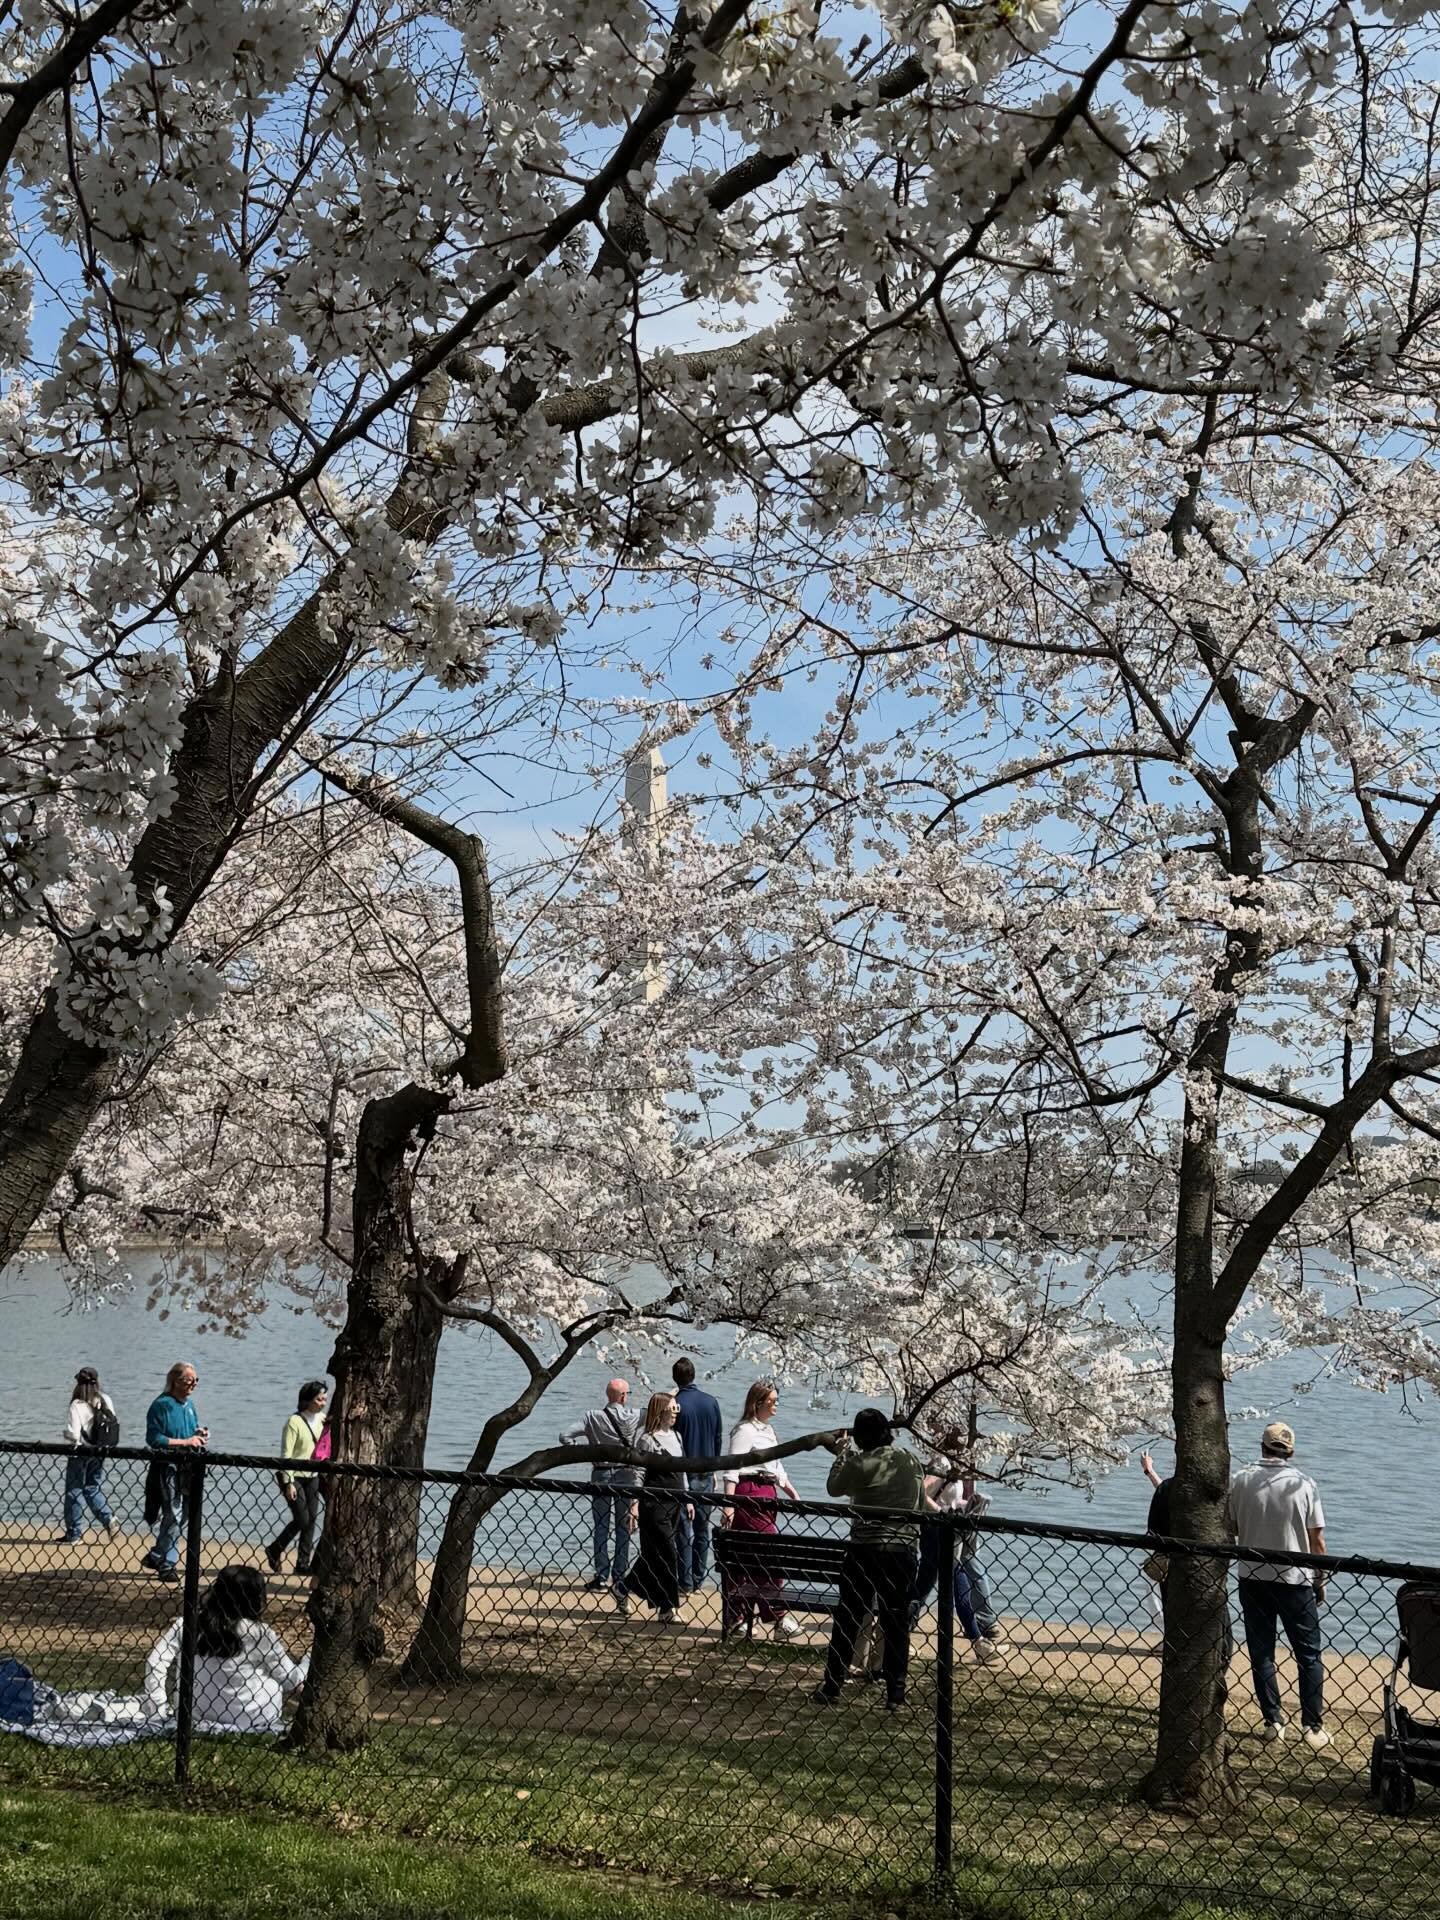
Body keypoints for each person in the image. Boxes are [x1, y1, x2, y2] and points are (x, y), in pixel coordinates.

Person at [814, 1408, 925, 1709]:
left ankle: (833, 1684)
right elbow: (920, 1505)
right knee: (896, 1622)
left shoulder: (860, 1462)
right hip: (902, 1551)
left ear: (861, 1436)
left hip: (865, 1549)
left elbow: (834, 1488)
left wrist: (841, 1454)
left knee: (849, 1617)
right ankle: (896, 1693)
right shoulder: (910, 1460)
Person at [1230, 1420, 1330, 1750]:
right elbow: (1318, 1541)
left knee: (1262, 1653)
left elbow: (1231, 1526)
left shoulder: (1240, 1480)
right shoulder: (1304, 1483)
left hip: (1252, 1575)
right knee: (1309, 1655)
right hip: (1295, 1579)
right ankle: (1312, 1725)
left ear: (1261, 1446)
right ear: (1291, 1451)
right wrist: (1320, 1580)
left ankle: (1273, 1720)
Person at [144, 1564, 308, 1733]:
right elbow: (289, 1680)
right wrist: (306, 1665)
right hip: (252, 1719)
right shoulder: (259, 1633)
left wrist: (158, 1708)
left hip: (191, 1714)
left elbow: (154, 1662)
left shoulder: (187, 1623)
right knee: (293, 1669)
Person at [910, 1439, 1010, 1665]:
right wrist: (940, 1511)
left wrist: (968, 1506)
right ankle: (979, 1642)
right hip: (936, 1530)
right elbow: (920, 1492)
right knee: (958, 1580)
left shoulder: (962, 1468)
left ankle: (898, 1633)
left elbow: (952, 1497)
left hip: (949, 1531)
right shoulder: (942, 1463)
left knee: (925, 1585)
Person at [718, 1378, 801, 1639]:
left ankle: (743, 1618)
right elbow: (732, 1468)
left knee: (752, 1557)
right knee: (765, 1554)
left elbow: (776, 1468)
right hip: (749, 1494)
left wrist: (792, 1492)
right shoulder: (745, 1430)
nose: (776, 1405)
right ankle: (774, 1617)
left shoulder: (769, 1431)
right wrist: (729, 1505)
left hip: (767, 1494)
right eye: (772, 1400)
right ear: (758, 1402)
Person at [617, 1392, 692, 1625]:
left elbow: (684, 1469)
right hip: (654, 1503)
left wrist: (688, 1498)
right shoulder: (647, 1439)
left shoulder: (677, 1436)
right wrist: (634, 1505)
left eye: (676, 1409)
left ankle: (624, 1586)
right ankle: (667, 1607)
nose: (675, 1414)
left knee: (654, 1554)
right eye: (672, 1410)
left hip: (676, 1501)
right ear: (660, 1412)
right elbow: (638, 1473)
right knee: (669, 1552)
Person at [560, 1379, 642, 1592]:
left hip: (601, 1475)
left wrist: (582, 1452)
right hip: (626, 1474)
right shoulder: (633, 1416)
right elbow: (653, 1410)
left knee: (601, 1527)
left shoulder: (592, 1417)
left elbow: (565, 1436)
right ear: (624, 1397)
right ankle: (620, 1576)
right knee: (623, 1527)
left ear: (608, 1396)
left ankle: (601, 1577)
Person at [143, 1362, 208, 1584]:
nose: (193, 1384)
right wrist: (184, 1441)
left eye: (196, 1380)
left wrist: (198, 1433)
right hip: (167, 1466)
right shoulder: (161, 1405)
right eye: (189, 1380)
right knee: (173, 1513)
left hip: (188, 1468)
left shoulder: (189, 1406)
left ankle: (156, 1554)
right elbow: (154, 1439)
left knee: (185, 1514)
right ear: (176, 1381)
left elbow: (191, 1429)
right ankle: (167, 1562)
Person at [672, 1357, 722, 1593]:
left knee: (683, 1530)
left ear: (676, 1378)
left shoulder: (676, 1405)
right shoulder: (712, 1402)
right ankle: (699, 1577)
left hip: (684, 1473)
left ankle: (685, 1580)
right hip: (707, 1470)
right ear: (693, 1375)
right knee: (702, 1529)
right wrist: (714, 1466)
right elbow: (718, 1437)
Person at [266, 1379, 327, 1575]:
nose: (323, 1403)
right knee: (302, 1519)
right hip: (295, 1476)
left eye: (325, 1399)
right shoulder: (294, 1422)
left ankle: (302, 1563)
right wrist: (289, 1482)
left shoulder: (323, 1420)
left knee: (312, 1520)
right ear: (307, 1400)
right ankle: (276, 1548)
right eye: (319, 1399)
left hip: (314, 1475)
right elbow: (286, 1454)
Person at [59, 1367, 117, 1544]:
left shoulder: (77, 1404)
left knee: (74, 1490)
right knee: (92, 1487)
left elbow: (74, 1434)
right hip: (100, 1451)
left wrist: (65, 1434)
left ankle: (74, 1533)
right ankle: (108, 1519)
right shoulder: (106, 1399)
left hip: (80, 1452)